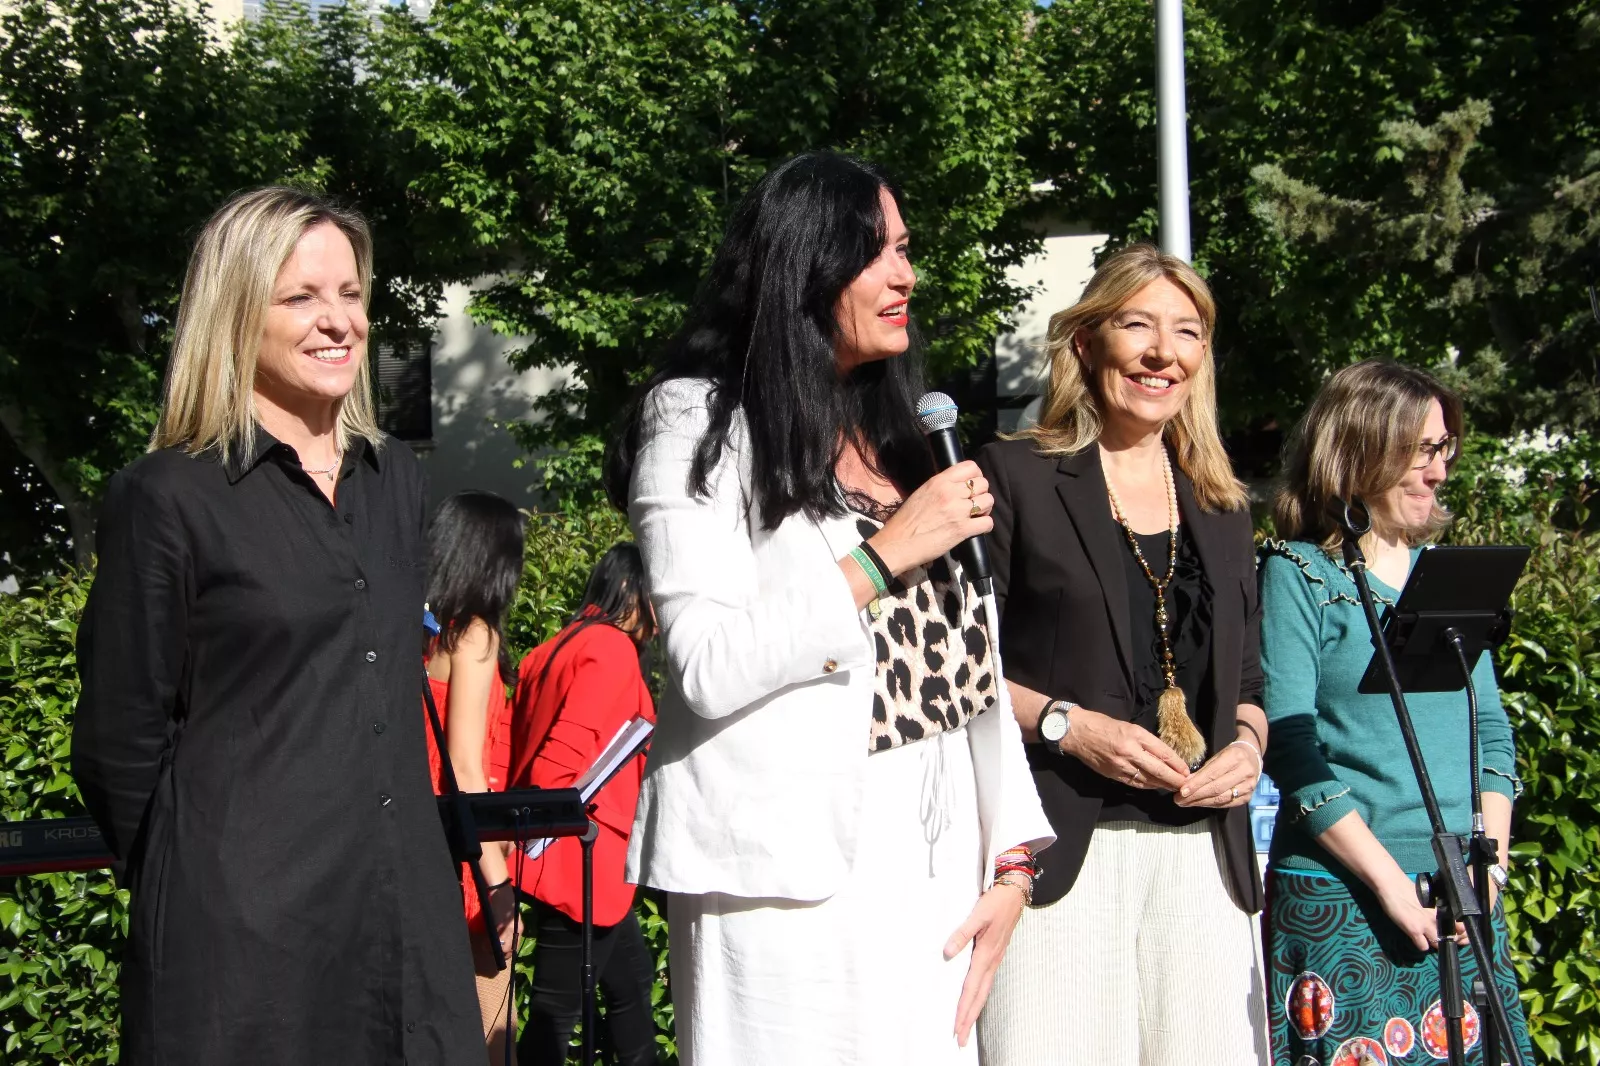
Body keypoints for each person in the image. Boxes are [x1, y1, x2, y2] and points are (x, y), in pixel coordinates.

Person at [604, 151, 1053, 1066]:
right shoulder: (695, 421)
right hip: (786, 882)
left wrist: (1012, 862)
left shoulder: (904, 438)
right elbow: (706, 663)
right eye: (874, 252)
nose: (905, 275)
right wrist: (882, 556)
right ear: (803, 268)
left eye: (905, 249)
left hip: (939, 869)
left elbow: (969, 666)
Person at [70, 186, 480, 1063]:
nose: (338, 322)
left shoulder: (396, 481)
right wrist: (214, 876)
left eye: (350, 294)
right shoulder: (168, 497)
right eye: (300, 297)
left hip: (404, 933)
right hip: (246, 959)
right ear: (235, 315)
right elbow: (118, 743)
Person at [976, 243, 1270, 1064]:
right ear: (1086, 341)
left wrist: (1248, 750)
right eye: (1137, 325)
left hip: (1207, 858)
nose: (1161, 353)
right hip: (1056, 852)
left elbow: (1249, 684)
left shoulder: (1222, 504)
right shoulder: (1014, 475)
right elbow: (957, 667)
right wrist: (1067, 726)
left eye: (1187, 332)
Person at [1259, 360, 1533, 1065]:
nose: (1440, 471)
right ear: (1360, 450)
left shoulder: (1448, 577)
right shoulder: (1299, 573)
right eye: (1421, 451)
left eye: (1444, 449)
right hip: (1344, 898)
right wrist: (1391, 885)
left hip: (1464, 896)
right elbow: (1291, 748)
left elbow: (1492, 734)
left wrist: (1488, 874)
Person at [506, 542, 659, 1065]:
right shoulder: (612, 648)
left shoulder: (548, 648)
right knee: (556, 1011)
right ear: (631, 590)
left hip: (552, 851)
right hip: (581, 857)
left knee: (632, 982)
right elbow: (561, 759)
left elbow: (513, 745)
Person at [422, 490, 526, 1063]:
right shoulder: (476, 633)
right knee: (491, 1035)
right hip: (463, 856)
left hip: (420, 843)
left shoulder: (423, 632)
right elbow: (465, 767)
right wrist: (497, 883)